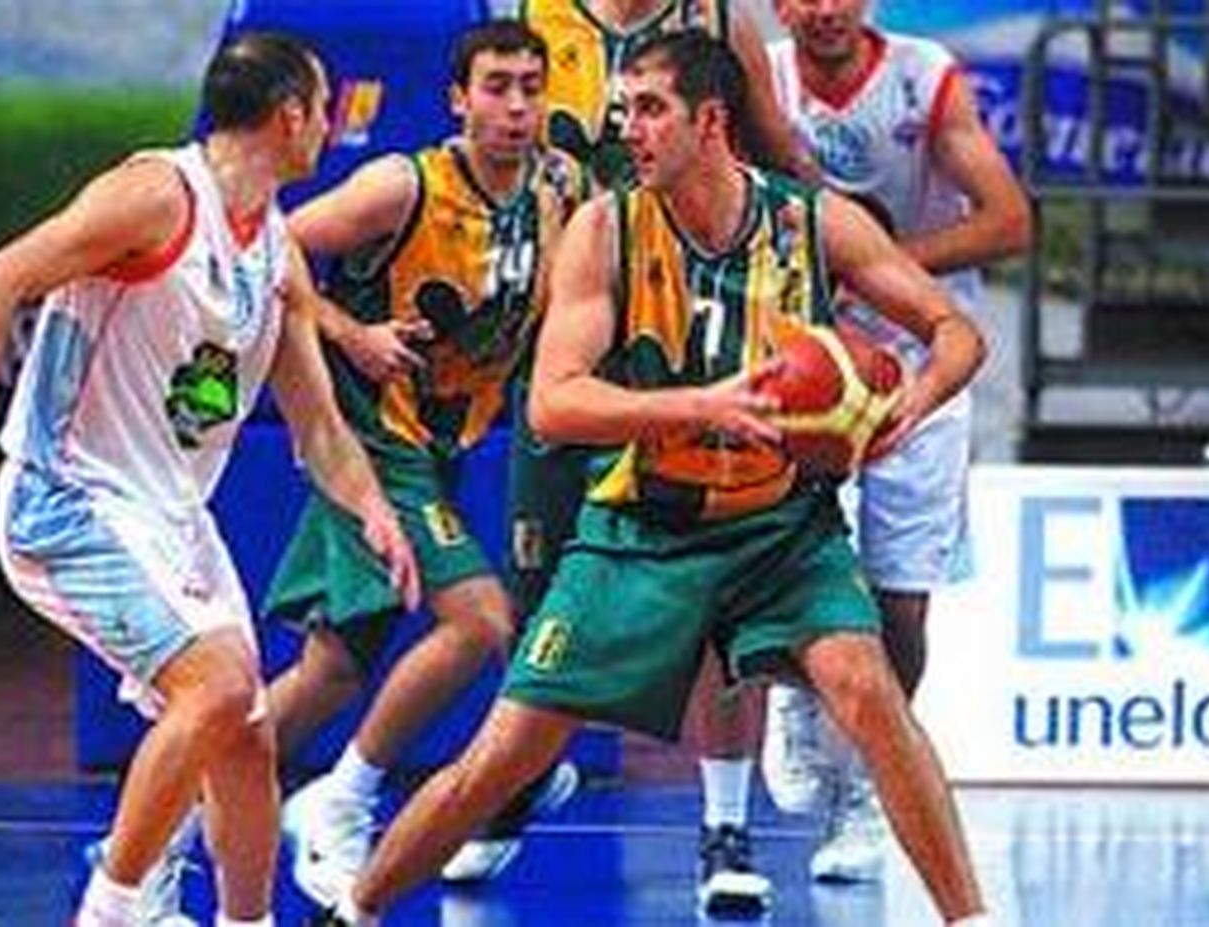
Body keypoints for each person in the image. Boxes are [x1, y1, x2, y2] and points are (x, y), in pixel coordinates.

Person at [309, 28, 995, 927]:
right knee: (503, 757)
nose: (625, 128)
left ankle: (972, 918)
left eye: (649, 109)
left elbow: (956, 331)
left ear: (711, 120)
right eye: (623, 108)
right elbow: (554, 403)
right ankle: (354, 908)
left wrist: (907, 404)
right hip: (642, 531)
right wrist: (698, 406)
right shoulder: (605, 228)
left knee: (870, 691)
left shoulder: (812, 222)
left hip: (783, 529)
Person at [0, 32, 419, 927]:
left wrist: (375, 511)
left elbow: (320, 428)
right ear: (291, 114)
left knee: (245, 732)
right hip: (68, 496)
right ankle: (111, 910)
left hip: (169, 515)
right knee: (214, 691)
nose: (333, 124)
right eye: (325, 106)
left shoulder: (275, 251)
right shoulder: (156, 196)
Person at [257, 20, 584, 908]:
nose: (516, 106)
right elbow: (270, 245)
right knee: (479, 621)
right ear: (457, 99)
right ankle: (344, 798)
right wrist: (350, 332)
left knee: (331, 670)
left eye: (530, 87)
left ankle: (155, 830)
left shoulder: (559, 185)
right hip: (370, 441)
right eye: (496, 87)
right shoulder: (401, 186)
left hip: (441, 447)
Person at [505, 1, 813, 909]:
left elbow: (782, 162)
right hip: (567, 326)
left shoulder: (719, 18)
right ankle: (521, 780)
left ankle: (725, 824)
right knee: (541, 594)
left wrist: (817, 289)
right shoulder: (530, 14)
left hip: (694, 327)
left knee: (719, 586)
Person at [752, 0, 1033, 884]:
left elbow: (1009, 221)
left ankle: (867, 786)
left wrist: (874, 260)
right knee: (794, 566)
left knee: (902, 601)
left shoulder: (922, 76)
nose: (826, 9)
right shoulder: (764, 80)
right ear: (780, 6)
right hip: (803, 363)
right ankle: (796, 699)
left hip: (919, 364)